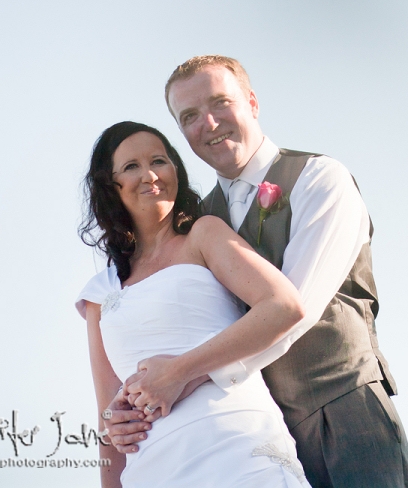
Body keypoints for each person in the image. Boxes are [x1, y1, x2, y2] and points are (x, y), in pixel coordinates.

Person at [105, 56, 408, 487]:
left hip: (344, 413)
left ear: (251, 102)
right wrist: (126, 408)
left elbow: (296, 309)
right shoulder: (197, 224)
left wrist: (183, 375)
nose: (209, 123)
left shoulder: (319, 178)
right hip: (259, 436)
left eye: (220, 103)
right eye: (190, 116)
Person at [76, 121, 312, 488]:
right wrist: (113, 427)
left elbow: (283, 306)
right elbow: (107, 414)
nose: (150, 174)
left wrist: (178, 373)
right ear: (110, 185)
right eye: (132, 166)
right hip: (154, 469)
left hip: (237, 446)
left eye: (159, 160)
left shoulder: (204, 234)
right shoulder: (99, 294)